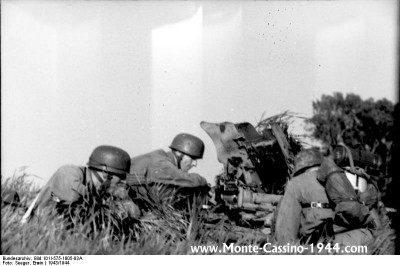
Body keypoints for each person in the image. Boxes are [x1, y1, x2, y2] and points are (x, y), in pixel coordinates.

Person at [275, 149, 374, 248]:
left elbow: (286, 233)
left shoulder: (297, 182)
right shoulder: (341, 177)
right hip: (359, 239)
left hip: (321, 247)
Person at [21, 145, 140, 224]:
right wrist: (107, 197)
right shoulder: (69, 172)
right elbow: (73, 198)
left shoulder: (98, 190)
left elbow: (135, 214)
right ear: (107, 175)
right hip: (38, 228)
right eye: (120, 178)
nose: (121, 183)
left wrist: (123, 200)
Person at [127, 133, 209, 209]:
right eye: (193, 158)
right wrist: (203, 182)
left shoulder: (162, 158)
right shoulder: (161, 162)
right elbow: (186, 179)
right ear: (179, 153)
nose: (195, 164)